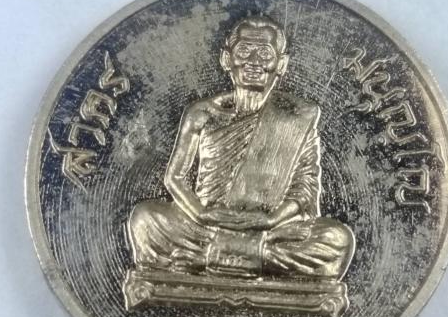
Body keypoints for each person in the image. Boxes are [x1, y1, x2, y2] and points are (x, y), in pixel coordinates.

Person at [128, 16, 354, 281]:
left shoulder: (298, 117)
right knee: (145, 219)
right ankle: (255, 259)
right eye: (244, 51)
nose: (254, 62)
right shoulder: (202, 113)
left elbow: (305, 186)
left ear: (281, 64)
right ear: (227, 59)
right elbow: (174, 178)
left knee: (337, 238)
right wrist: (201, 214)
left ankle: (210, 258)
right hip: (206, 226)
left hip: (269, 230)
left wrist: (270, 220)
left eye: (265, 53)